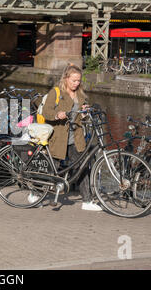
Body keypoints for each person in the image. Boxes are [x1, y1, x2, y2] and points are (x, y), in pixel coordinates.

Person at [40, 63, 103, 211]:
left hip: (76, 137)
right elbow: (46, 112)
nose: (76, 83)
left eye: (78, 80)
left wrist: (85, 111)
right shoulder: (55, 92)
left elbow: (80, 113)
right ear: (66, 79)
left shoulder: (80, 95)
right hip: (59, 137)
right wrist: (57, 114)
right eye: (74, 80)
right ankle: (35, 193)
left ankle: (87, 201)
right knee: (51, 170)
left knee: (81, 168)